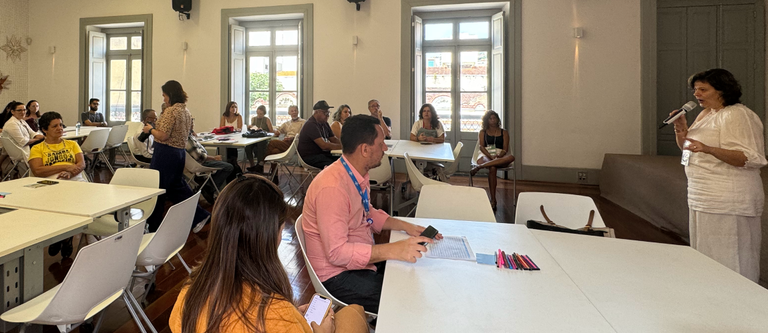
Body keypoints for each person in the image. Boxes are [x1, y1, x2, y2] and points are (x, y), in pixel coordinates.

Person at [169, 174, 368, 333]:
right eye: (281, 229)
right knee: (355, 311)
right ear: (270, 235)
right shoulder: (273, 312)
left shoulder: (189, 294)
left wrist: (294, 316)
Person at [303, 114, 441, 313]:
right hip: (338, 276)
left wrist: (405, 226)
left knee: (415, 276)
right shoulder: (332, 188)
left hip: (357, 263)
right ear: (365, 149)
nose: (385, 148)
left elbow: (366, 212)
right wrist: (393, 249)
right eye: (381, 142)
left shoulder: (354, 173)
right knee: (409, 301)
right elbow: (337, 254)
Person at [671, 68, 767, 282]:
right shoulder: (707, 114)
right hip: (703, 195)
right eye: (695, 90)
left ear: (722, 90)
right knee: (707, 255)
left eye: (703, 89)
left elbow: (749, 158)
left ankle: (737, 304)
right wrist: (681, 130)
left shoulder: (737, 114)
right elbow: (688, 150)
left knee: (730, 257)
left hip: (728, 198)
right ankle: (712, 300)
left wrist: (709, 149)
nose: (697, 94)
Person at [142, 80, 210, 233]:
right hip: (178, 154)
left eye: (164, 95)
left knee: (158, 189)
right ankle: (200, 215)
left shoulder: (171, 111)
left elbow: (163, 135)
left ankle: (153, 226)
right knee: (176, 188)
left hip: (165, 154)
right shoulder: (186, 111)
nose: (164, 99)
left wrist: (150, 130)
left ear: (171, 95)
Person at [30, 111, 87, 259]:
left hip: (74, 180)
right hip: (50, 183)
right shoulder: (37, 148)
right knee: (57, 204)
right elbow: (38, 170)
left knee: (73, 203)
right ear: (44, 129)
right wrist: (65, 167)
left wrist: (70, 173)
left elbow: (81, 164)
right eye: (55, 126)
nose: (60, 128)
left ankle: (65, 237)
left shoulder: (72, 144)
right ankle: (61, 236)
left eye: (61, 125)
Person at [469, 110, 515, 211]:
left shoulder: (504, 132)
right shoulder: (482, 132)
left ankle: (478, 168)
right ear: (487, 120)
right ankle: (493, 199)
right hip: (486, 154)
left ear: (498, 119)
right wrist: (490, 156)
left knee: (511, 157)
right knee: (492, 167)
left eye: (494, 118)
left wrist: (499, 156)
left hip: (500, 155)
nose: (493, 120)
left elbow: (505, 149)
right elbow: (481, 147)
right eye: (490, 118)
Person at [187, 119, 235, 204]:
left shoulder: (189, 136)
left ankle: (207, 183)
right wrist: (214, 158)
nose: (193, 125)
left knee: (225, 164)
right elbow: (200, 157)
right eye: (192, 123)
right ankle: (210, 187)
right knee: (228, 167)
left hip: (197, 162)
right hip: (200, 163)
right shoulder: (188, 139)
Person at [297, 101, 342, 169]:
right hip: (310, 157)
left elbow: (333, 139)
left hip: (321, 155)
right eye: (325, 112)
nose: (327, 115)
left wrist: (345, 145)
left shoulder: (324, 123)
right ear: (316, 112)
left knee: (343, 161)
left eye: (328, 112)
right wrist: (342, 147)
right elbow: (323, 146)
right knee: (336, 166)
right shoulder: (311, 124)